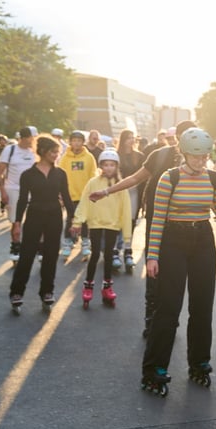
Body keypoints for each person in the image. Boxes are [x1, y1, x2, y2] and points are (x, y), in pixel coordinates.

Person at [140, 128, 216, 396]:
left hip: (202, 239)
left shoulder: (213, 178)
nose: (202, 162)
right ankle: (154, 369)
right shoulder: (170, 178)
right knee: (169, 307)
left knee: (202, 306)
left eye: (205, 156)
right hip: (173, 240)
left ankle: (199, 362)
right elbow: (156, 220)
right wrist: (152, 255)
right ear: (184, 153)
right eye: (196, 157)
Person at [90, 119, 197, 337]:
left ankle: (170, 320)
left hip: (184, 227)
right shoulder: (160, 156)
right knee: (153, 269)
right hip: (157, 221)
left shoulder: (199, 162)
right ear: (177, 137)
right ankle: (151, 318)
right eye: (184, 136)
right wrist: (107, 191)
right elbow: (136, 178)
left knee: (176, 276)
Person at [8, 135, 73, 314]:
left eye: (57, 152)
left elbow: (67, 198)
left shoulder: (60, 174)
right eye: (53, 152)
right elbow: (22, 200)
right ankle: (16, 292)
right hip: (34, 215)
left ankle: (47, 292)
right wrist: (17, 223)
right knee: (27, 255)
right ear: (43, 152)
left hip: (54, 216)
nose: (56, 155)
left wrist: (74, 220)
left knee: (51, 256)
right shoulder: (28, 175)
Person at [70, 148, 132, 309]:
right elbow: (84, 202)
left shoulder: (120, 185)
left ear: (116, 166)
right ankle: (88, 285)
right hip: (95, 223)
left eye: (112, 165)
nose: (109, 168)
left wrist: (127, 234)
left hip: (112, 224)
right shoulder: (93, 183)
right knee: (95, 253)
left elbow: (126, 209)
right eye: (106, 165)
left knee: (110, 255)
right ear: (101, 166)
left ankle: (107, 286)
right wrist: (77, 222)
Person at [0, 126, 38, 262]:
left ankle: (37, 248)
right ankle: (15, 247)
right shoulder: (10, 150)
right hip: (13, 189)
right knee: (16, 222)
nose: (34, 140)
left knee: (37, 220)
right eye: (33, 137)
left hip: (33, 190)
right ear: (25, 138)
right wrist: (3, 192)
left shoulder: (35, 151)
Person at [58, 130, 98, 259]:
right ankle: (68, 242)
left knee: (85, 220)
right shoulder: (65, 158)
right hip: (69, 195)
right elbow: (60, 175)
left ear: (83, 142)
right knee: (70, 219)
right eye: (74, 140)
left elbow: (93, 174)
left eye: (79, 141)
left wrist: (92, 191)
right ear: (70, 142)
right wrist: (60, 194)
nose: (76, 143)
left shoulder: (89, 157)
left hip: (84, 195)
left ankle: (85, 242)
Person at [114, 129, 145, 270]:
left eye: (133, 137)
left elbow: (143, 177)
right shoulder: (116, 155)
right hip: (118, 192)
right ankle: (114, 251)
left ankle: (128, 251)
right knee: (117, 222)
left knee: (131, 222)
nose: (131, 140)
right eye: (128, 138)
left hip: (134, 193)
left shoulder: (139, 156)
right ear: (122, 140)